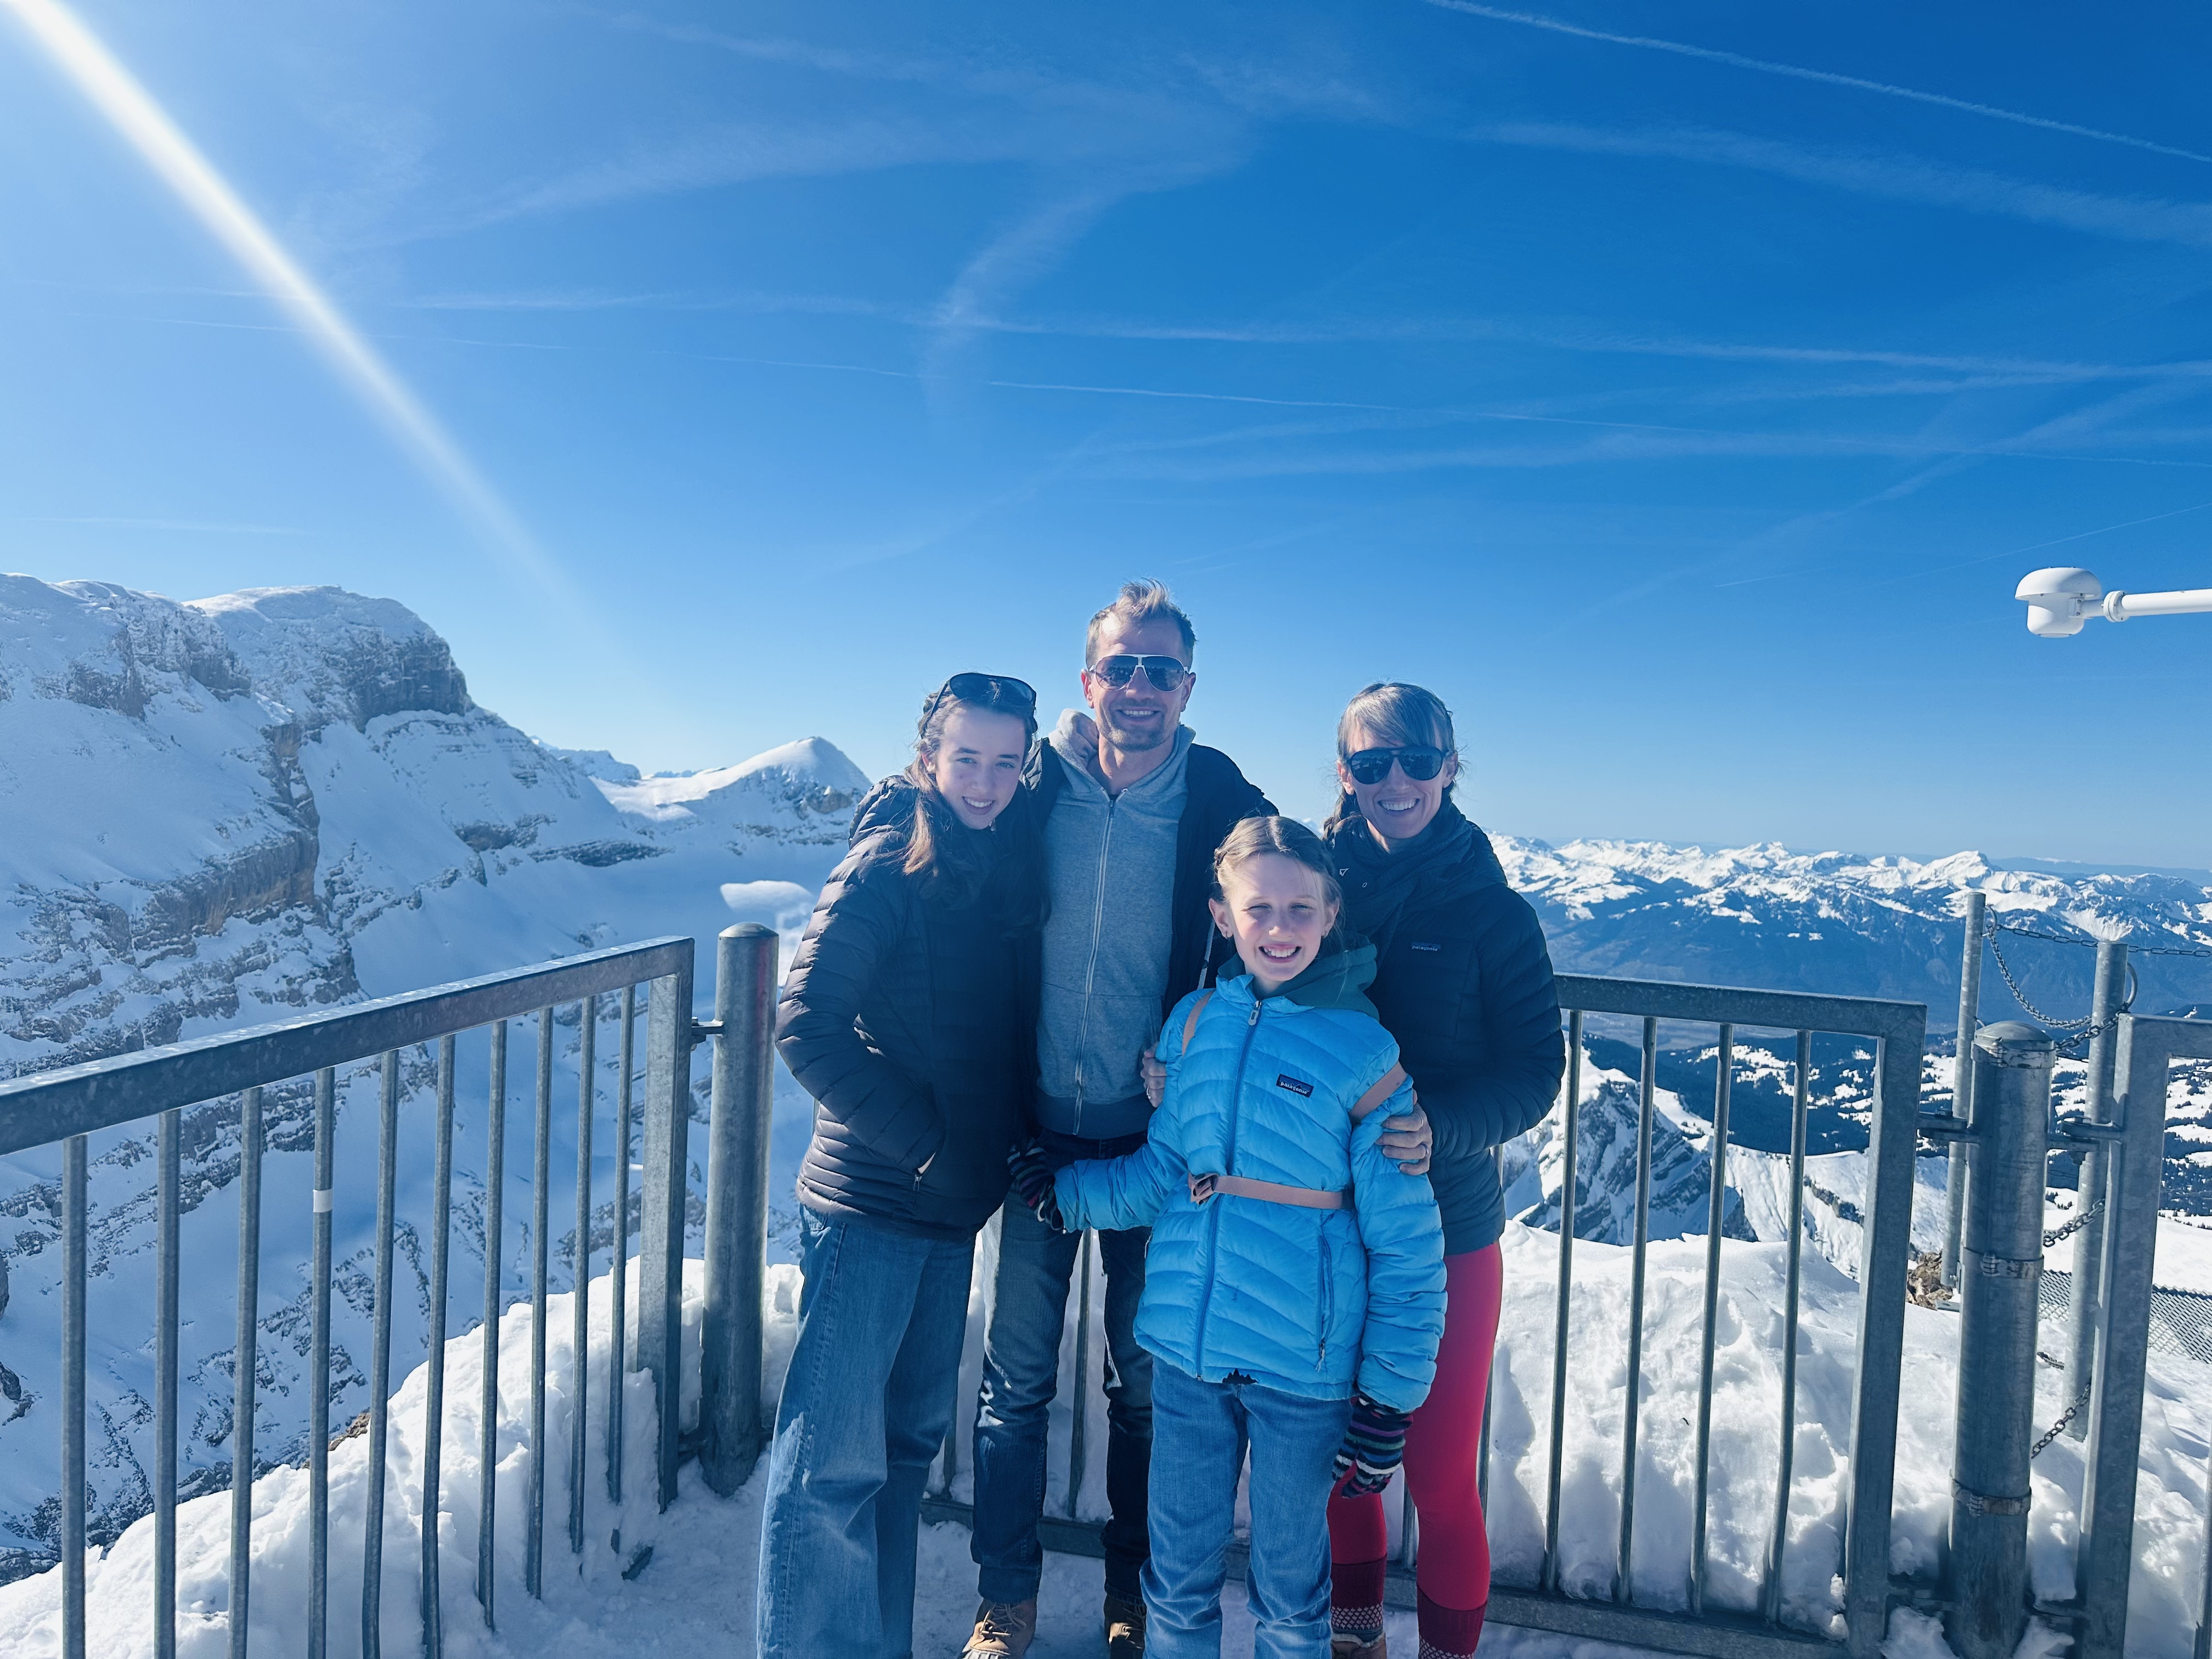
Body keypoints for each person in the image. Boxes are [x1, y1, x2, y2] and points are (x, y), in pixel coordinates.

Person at [1010, 815, 1447, 1659]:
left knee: (1289, 1596)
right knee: (1174, 1583)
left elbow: (1406, 1244)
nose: (1279, 929)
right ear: (1222, 915)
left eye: (1299, 909)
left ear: (1329, 915)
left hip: (1303, 1368)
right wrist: (1062, 1197)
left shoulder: (1365, 1054)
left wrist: (1389, 1399)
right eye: (1259, 909)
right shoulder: (1194, 1024)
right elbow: (1163, 1171)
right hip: (1189, 1354)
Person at [964, 580, 1273, 1659]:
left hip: (1155, 1144)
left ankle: (1130, 1598)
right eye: (1122, 667)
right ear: (1088, 676)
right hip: (1037, 1132)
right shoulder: (1034, 783)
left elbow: (1291, 930)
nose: (1141, 688)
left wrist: (1207, 1040)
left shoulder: (1223, 797)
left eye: (1163, 671)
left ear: (1190, 687)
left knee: (1143, 1385)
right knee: (1017, 1380)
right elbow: (931, 820)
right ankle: (1004, 1603)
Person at [757, 674, 1046, 1659]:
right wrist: (925, 1144)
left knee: (899, 1456)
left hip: (945, 1212)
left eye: (1007, 762)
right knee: (830, 1470)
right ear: (929, 757)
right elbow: (803, 1027)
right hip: (875, 1205)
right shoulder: (888, 862)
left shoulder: (993, 866)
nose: (986, 780)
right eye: (967, 757)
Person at [1321, 682, 1564, 1659]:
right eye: (1372, 764)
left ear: (1452, 768)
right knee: (1345, 1465)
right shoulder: (1314, 883)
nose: (1396, 782)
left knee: (1438, 1470)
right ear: (1345, 774)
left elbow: (1534, 1071)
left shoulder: (1495, 913)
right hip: (1327, 1218)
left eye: (1417, 761)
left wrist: (1444, 1126)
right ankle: (1354, 1642)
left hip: (1450, 1226)